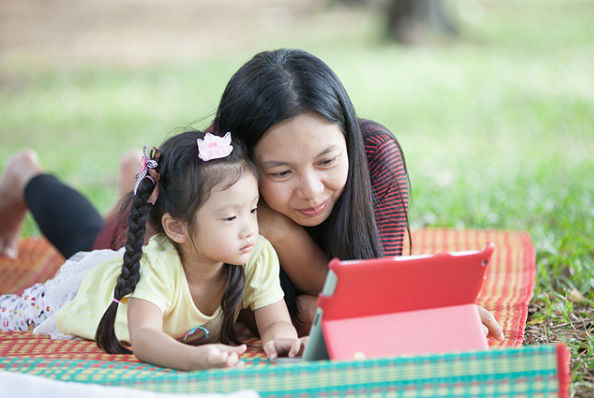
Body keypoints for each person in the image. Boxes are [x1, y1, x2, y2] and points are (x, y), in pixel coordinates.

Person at [0, 48, 503, 341]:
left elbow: (368, 286)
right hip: (167, 228)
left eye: (328, 161)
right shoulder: (219, 179)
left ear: (347, 137)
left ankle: (132, 171)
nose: (311, 190)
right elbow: (238, 315)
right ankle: (25, 176)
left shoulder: (375, 157)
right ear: (244, 163)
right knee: (93, 246)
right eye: (280, 171)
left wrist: (282, 232)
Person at [0, 130, 303, 370]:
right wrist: (192, 359)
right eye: (230, 217)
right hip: (82, 299)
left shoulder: (256, 254)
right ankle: (25, 174)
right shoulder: (162, 264)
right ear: (177, 228)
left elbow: (275, 322)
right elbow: (145, 338)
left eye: (252, 209)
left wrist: (282, 340)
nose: (250, 227)